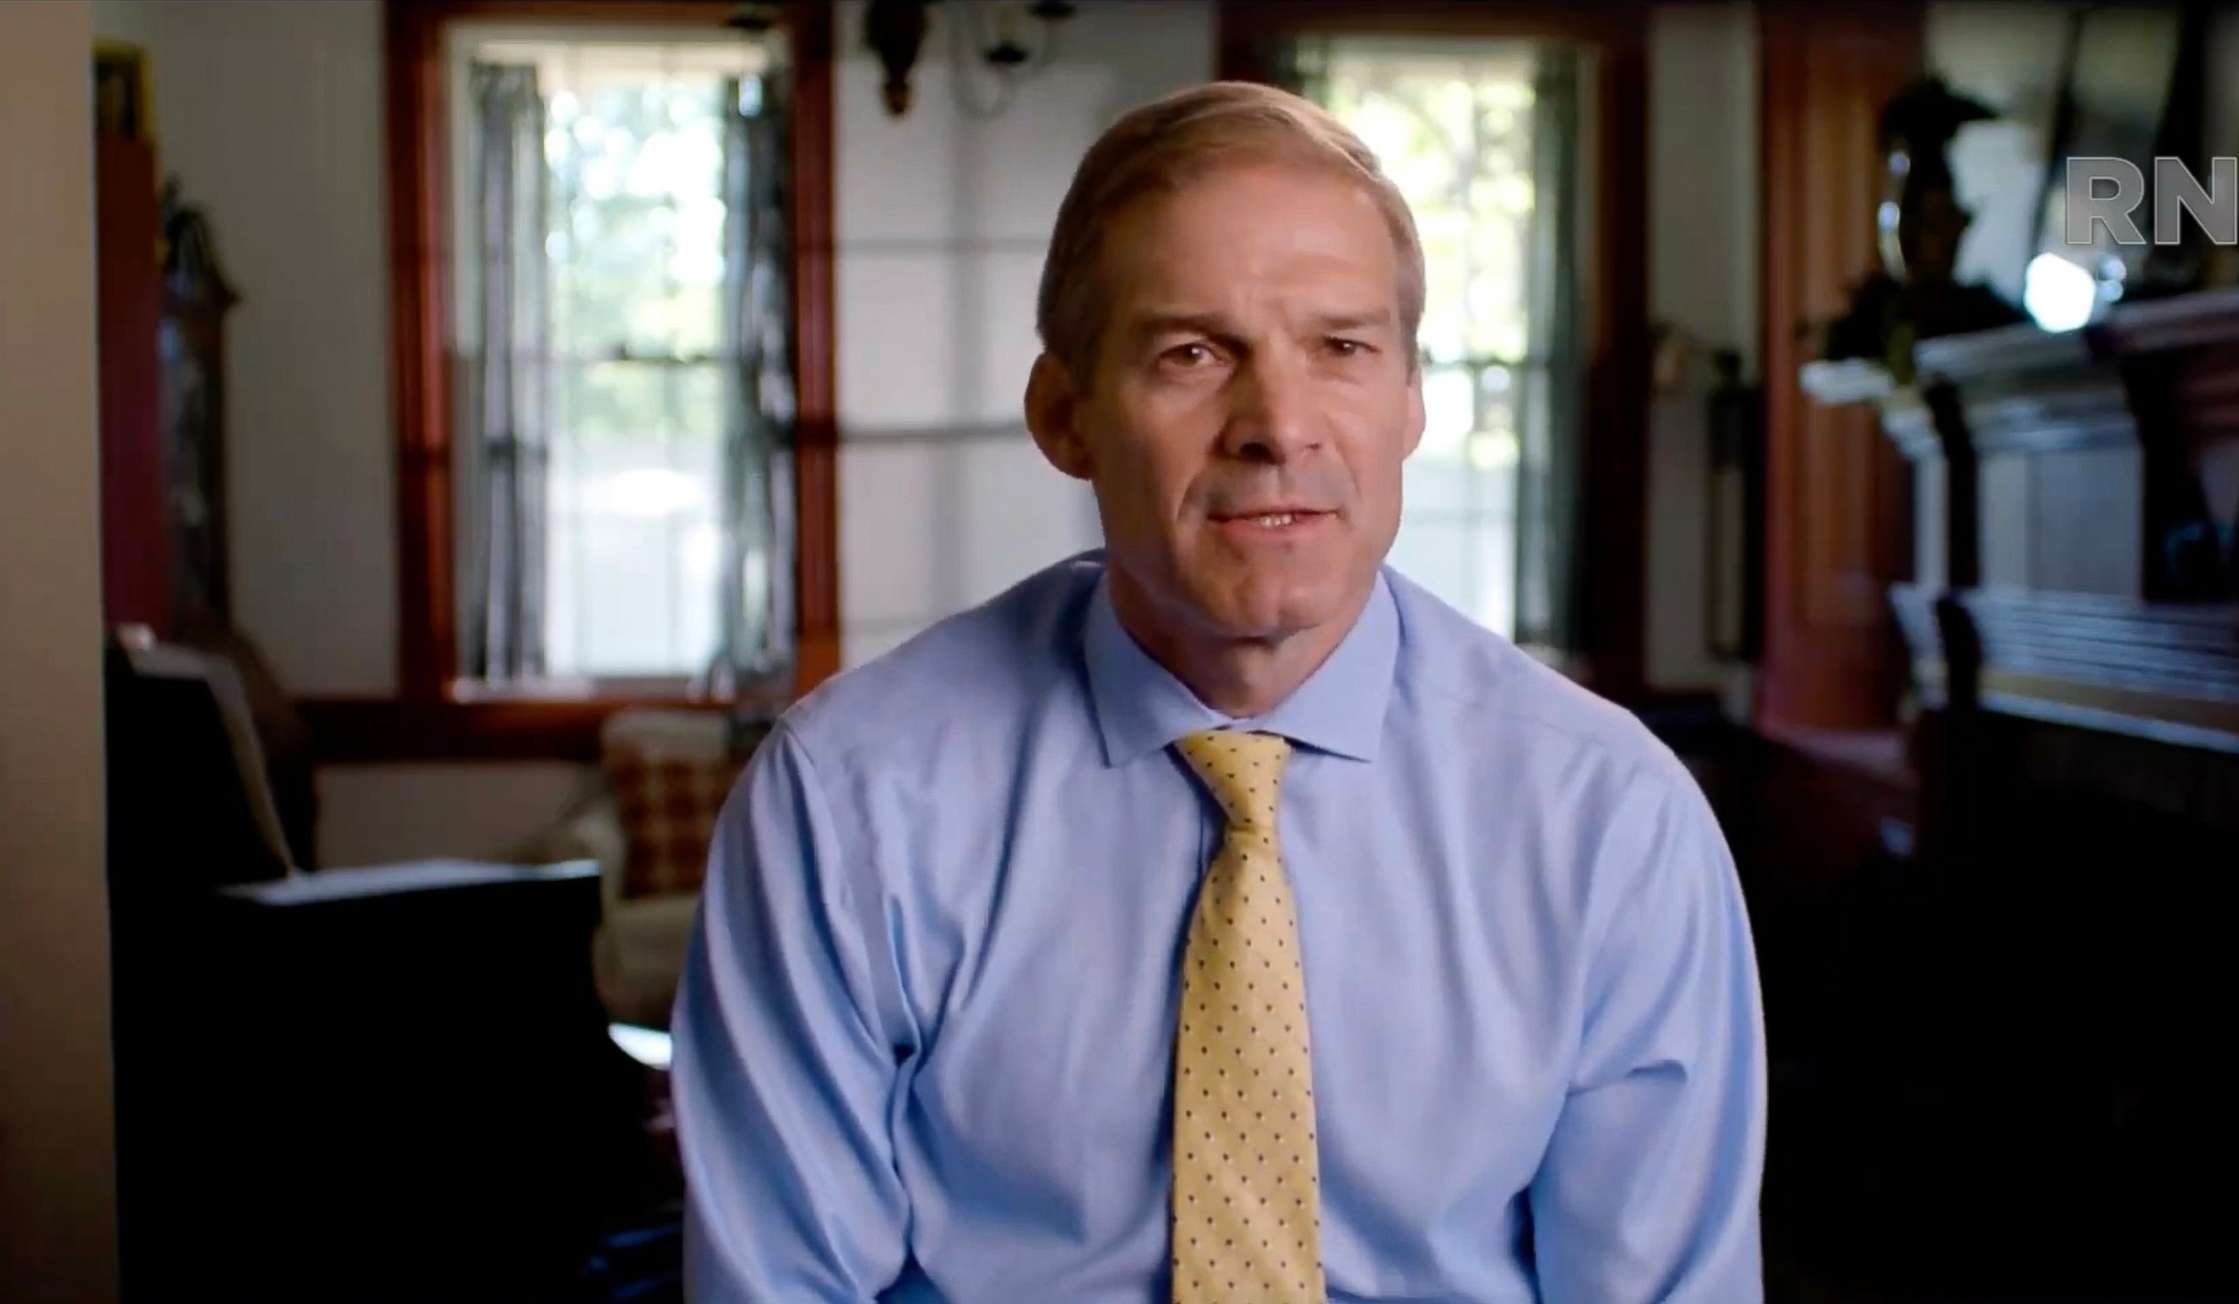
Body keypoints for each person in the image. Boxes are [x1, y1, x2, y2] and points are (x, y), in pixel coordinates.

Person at [671, 80, 1767, 1302]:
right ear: (1063, 413)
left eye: (1342, 348)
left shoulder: (1607, 817)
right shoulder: (850, 802)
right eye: (1192, 353)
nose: (1278, 425)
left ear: (1411, 402)